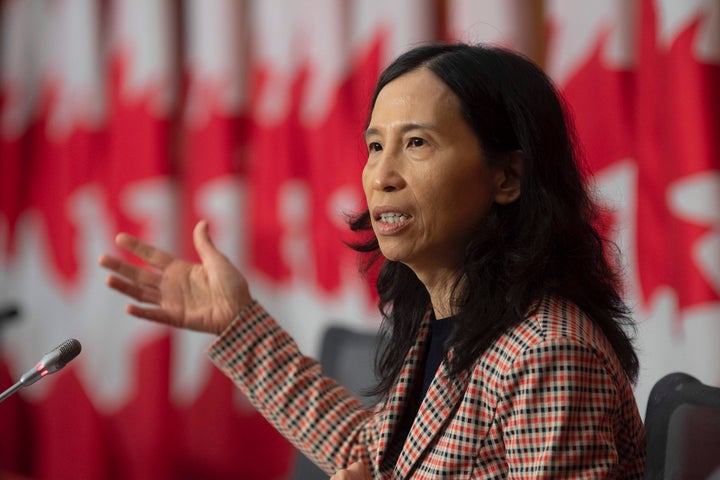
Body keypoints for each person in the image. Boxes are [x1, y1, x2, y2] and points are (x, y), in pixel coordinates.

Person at [99, 43, 646, 479]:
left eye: (417, 144)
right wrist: (237, 326)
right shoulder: (451, 320)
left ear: (507, 177)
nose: (381, 175)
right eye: (375, 146)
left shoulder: (547, 354)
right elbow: (379, 458)